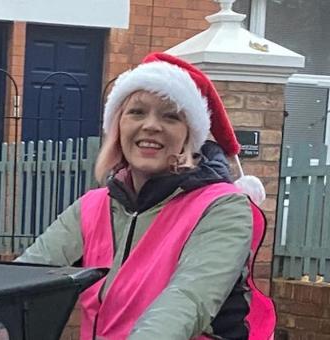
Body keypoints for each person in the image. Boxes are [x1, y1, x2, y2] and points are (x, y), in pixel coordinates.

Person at [15, 53, 275, 340]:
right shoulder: (93, 206)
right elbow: (25, 281)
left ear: (189, 135)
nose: (151, 125)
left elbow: (186, 301)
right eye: (137, 112)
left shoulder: (222, 207)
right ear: (118, 126)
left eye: (171, 115)